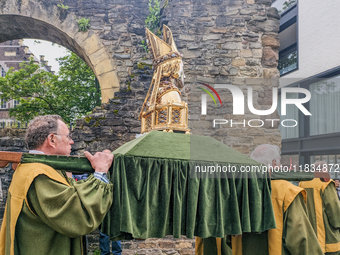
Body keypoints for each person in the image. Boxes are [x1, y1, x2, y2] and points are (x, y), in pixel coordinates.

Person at [0, 115, 114, 255]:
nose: (72, 142)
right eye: (68, 136)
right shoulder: (39, 174)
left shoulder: (36, 168)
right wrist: (100, 173)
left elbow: (69, 194)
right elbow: (78, 217)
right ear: (52, 140)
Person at [230, 144, 323, 255]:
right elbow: (300, 239)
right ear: (274, 163)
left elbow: (228, 235)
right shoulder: (287, 191)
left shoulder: (237, 190)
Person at [299, 161, 340, 255]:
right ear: (324, 169)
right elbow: (334, 209)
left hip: (309, 232)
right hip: (327, 235)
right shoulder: (325, 183)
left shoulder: (303, 183)